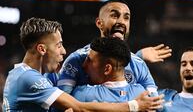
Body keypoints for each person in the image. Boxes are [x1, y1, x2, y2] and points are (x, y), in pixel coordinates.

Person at [2, 17, 163, 112]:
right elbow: (80, 107)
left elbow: (115, 60)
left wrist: (136, 56)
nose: (64, 51)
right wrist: (134, 106)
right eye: (58, 45)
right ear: (42, 49)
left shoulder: (36, 75)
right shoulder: (28, 78)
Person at [56, 0, 171, 94]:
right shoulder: (77, 59)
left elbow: (153, 105)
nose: (121, 21)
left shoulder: (138, 64)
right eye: (115, 15)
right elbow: (60, 105)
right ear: (99, 23)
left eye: (126, 18)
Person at [72, 37, 164, 103]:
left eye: (89, 60)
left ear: (107, 69)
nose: (84, 65)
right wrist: (138, 56)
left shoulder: (82, 95)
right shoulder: (142, 95)